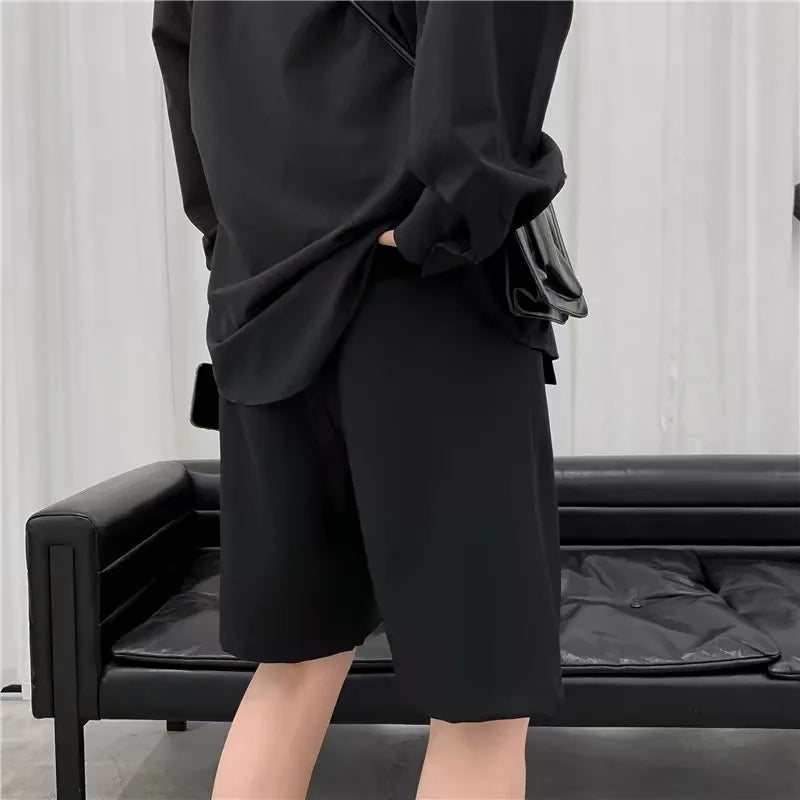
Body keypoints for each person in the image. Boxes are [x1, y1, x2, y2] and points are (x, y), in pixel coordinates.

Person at [152, 1, 573, 798]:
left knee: (294, 667)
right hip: (423, 306)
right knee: (481, 700)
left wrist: (247, 243)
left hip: (264, 302)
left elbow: (185, 63)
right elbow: (485, 59)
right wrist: (441, 222)